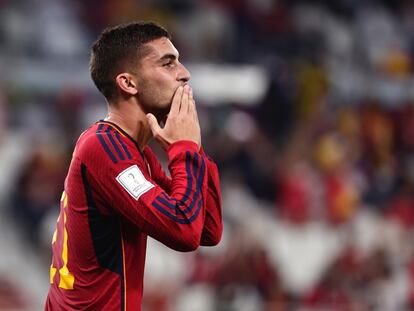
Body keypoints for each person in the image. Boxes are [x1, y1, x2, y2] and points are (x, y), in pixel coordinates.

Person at [45, 21, 223, 310]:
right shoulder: (103, 147)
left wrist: (194, 148)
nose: (185, 73)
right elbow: (184, 230)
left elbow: (207, 230)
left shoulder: (132, 153)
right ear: (128, 82)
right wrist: (185, 149)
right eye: (168, 63)